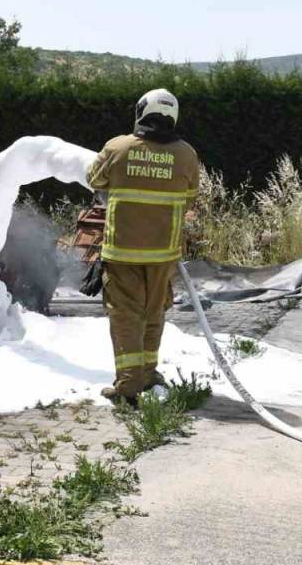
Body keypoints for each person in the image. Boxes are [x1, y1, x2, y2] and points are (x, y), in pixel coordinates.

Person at [87, 89, 200, 407]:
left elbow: (94, 179)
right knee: (153, 313)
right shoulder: (187, 155)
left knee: (125, 316)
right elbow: (189, 197)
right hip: (163, 255)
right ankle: (148, 374)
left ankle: (128, 387)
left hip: (122, 252)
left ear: (141, 112)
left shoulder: (117, 147)